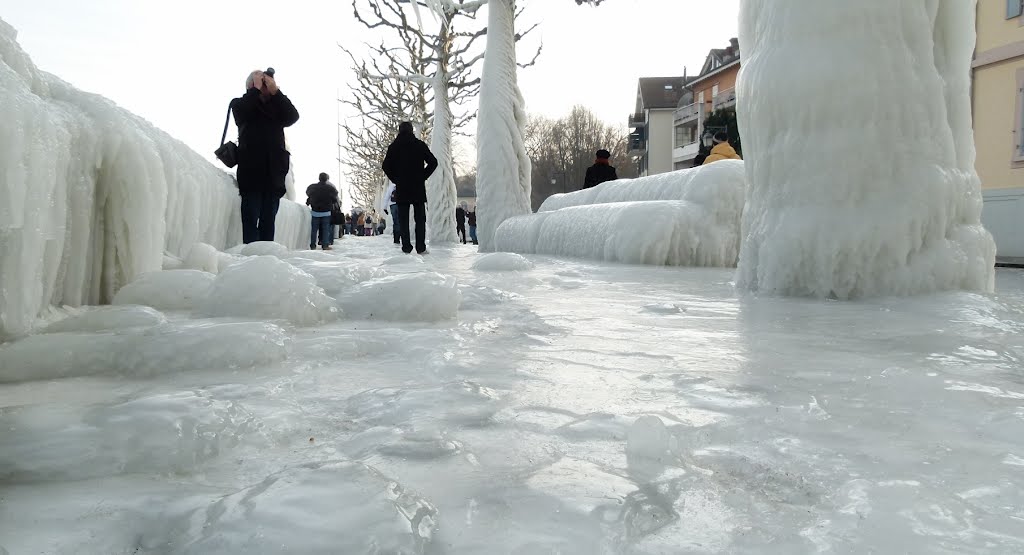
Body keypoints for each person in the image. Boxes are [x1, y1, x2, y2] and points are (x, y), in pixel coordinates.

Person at [232, 68, 300, 243]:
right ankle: (251, 258)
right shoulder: (241, 104)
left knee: (268, 221)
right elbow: (242, 113)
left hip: (274, 173)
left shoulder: (276, 108)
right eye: (262, 84)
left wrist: (276, 91)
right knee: (250, 219)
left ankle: (266, 260)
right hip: (251, 172)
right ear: (250, 86)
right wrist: (254, 89)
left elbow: (293, 116)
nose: (264, 88)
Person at [382, 121, 438, 254]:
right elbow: (433, 162)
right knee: (420, 219)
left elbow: (385, 166)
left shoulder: (394, 147)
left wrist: (396, 179)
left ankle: (406, 246)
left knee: (403, 219)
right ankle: (420, 246)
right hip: (417, 186)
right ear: (412, 130)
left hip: (402, 187)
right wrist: (423, 176)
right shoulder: (419, 145)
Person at [305, 172, 338, 251]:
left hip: (315, 211)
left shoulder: (312, 187)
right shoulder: (330, 189)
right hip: (326, 212)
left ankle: (313, 245)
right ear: (327, 179)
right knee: (326, 229)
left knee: (314, 229)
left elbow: (309, 194)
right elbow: (334, 199)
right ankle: (325, 245)